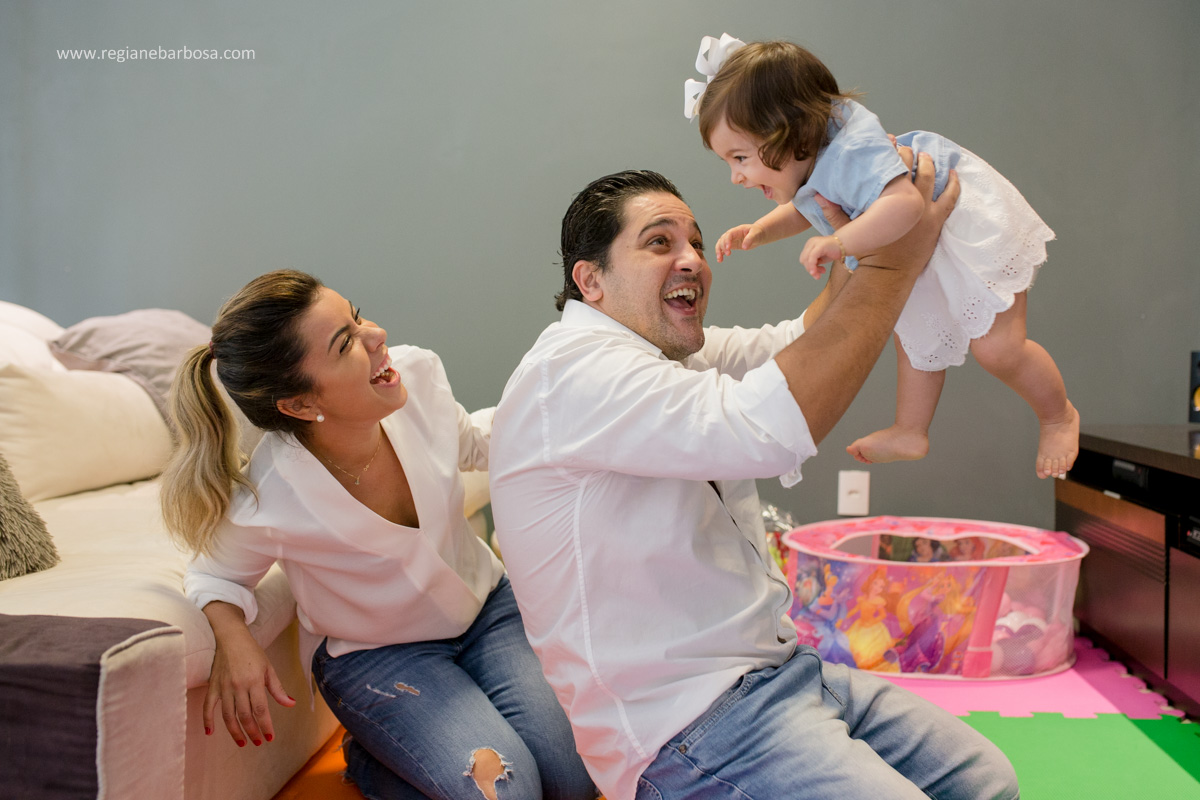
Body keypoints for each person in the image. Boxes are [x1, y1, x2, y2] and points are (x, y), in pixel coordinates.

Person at [489, 164, 1019, 800]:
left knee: (985, 781)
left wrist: (866, 234)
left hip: (784, 675)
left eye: (693, 241)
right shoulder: (574, 370)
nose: (691, 260)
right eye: (659, 242)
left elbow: (807, 341)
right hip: (688, 729)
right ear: (591, 279)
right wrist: (894, 264)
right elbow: (765, 429)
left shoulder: (666, 354)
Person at [160, 270, 594, 800]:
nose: (377, 335)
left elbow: (474, 443)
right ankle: (372, 760)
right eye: (346, 344)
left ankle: (403, 758)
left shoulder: (417, 376)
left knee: (574, 780)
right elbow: (212, 575)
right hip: (379, 657)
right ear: (299, 405)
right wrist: (234, 638)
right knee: (510, 790)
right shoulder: (269, 496)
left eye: (357, 316)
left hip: (488, 613)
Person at [688, 33, 1078, 479]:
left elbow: (907, 205)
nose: (735, 176)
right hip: (915, 241)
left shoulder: (853, 150)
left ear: (789, 132)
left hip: (959, 226)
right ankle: (911, 429)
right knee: (913, 337)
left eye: (739, 158)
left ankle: (1058, 416)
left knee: (999, 350)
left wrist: (841, 242)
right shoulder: (813, 165)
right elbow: (802, 208)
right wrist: (759, 231)